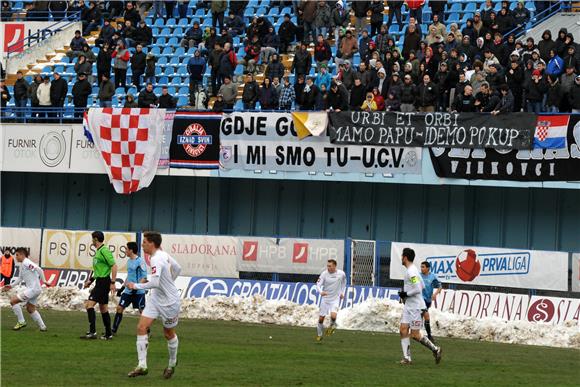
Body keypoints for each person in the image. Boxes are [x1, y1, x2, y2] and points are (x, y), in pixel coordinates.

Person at [126, 231, 182, 379]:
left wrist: (136, 286)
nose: (142, 244)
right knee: (141, 327)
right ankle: (142, 365)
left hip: (170, 302)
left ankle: (172, 362)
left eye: (144, 242)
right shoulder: (163, 254)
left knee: (168, 333)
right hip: (156, 299)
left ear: (152, 243)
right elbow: (177, 268)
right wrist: (166, 281)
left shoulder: (157, 258)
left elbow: (156, 282)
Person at [398, 248, 442, 365]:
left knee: (415, 335)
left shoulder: (411, 271)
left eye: (402, 256)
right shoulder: (413, 270)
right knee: (403, 330)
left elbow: (418, 288)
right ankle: (407, 359)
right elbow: (421, 285)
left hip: (415, 307)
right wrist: (405, 295)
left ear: (405, 257)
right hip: (409, 305)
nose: (401, 258)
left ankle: (436, 349)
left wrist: (405, 294)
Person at [80, 231, 117, 340]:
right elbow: (98, 271)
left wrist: (113, 283)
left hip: (103, 282)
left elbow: (114, 266)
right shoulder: (98, 251)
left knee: (89, 305)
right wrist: (90, 281)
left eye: (92, 239)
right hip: (100, 281)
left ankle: (92, 332)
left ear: (95, 239)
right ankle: (108, 334)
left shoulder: (104, 251)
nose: (91, 241)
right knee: (103, 308)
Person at [2, 248, 47, 331]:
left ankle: (21, 321)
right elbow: (20, 278)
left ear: (22, 255)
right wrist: (11, 286)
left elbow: (39, 269)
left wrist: (44, 281)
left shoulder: (26, 262)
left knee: (13, 301)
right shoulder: (23, 264)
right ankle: (43, 327)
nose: (16, 257)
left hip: (33, 289)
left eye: (17, 255)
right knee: (30, 308)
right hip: (36, 289)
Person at [112, 242, 147, 335]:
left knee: (142, 311)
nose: (125, 251)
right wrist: (122, 288)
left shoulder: (140, 261)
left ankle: (146, 331)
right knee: (119, 308)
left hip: (138, 292)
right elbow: (129, 276)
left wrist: (136, 286)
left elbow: (144, 278)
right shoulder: (128, 261)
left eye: (126, 249)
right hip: (128, 291)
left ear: (131, 250)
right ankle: (113, 330)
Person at [315, 259, 346, 342]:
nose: (328, 267)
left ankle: (332, 326)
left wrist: (342, 292)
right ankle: (319, 335)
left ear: (335, 266)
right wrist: (321, 292)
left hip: (335, 299)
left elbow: (344, 283)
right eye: (327, 266)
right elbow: (318, 284)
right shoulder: (324, 274)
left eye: (330, 266)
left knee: (333, 316)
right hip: (325, 299)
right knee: (321, 319)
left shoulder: (341, 274)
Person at [419, 261, 442, 343]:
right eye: (421, 267)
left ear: (428, 268)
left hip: (428, 300)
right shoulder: (418, 276)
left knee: (421, 316)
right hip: (421, 299)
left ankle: (417, 333)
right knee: (426, 316)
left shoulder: (432, 277)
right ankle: (429, 336)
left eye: (423, 267)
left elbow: (440, 286)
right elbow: (412, 283)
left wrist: (435, 294)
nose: (421, 268)